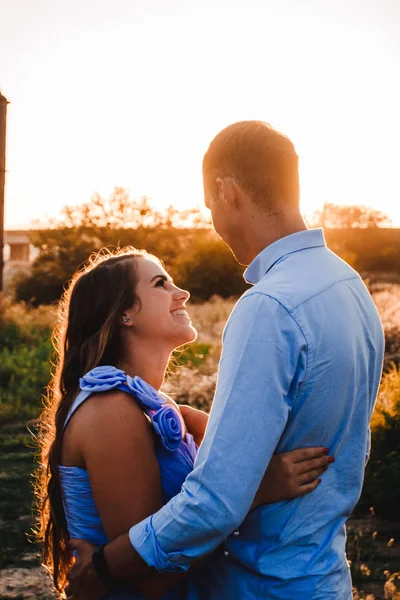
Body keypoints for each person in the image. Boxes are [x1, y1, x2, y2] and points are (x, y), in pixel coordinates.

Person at [66, 121, 385, 600]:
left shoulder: (270, 307)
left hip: (265, 586)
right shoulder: (350, 288)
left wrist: (107, 566)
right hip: (322, 577)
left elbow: (215, 503)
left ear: (226, 191)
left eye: (209, 204)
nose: (213, 220)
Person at [36, 246, 331, 599]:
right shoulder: (110, 410)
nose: (183, 293)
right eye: (161, 284)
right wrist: (254, 489)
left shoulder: (154, 406)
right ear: (125, 313)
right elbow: (148, 575)